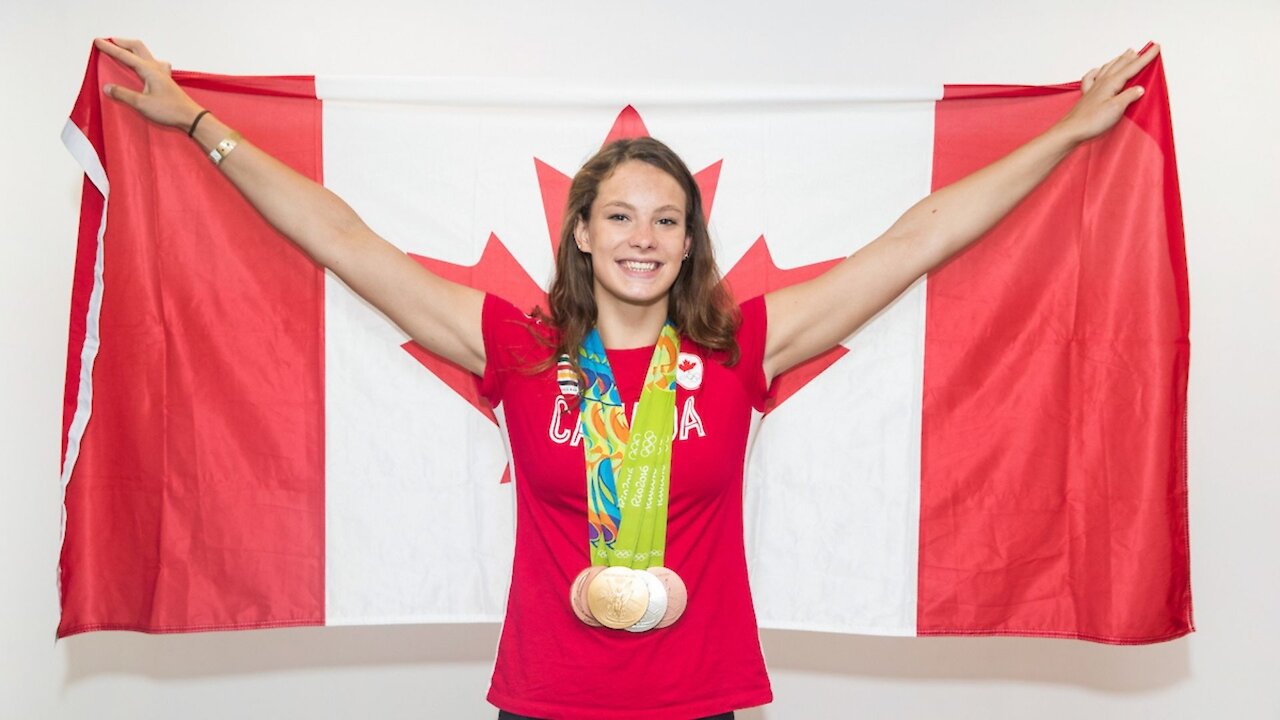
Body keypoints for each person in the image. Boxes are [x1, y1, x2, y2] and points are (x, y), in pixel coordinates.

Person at [91, 37, 1160, 720]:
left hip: (698, 698)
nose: (642, 239)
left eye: (666, 220)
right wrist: (195, 120)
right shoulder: (518, 350)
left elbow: (911, 242)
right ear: (583, 237)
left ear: (689, 242)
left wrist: (1065, 132)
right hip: (548, 699)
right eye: (620, 218)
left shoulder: (739, 349)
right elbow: (345, 240)